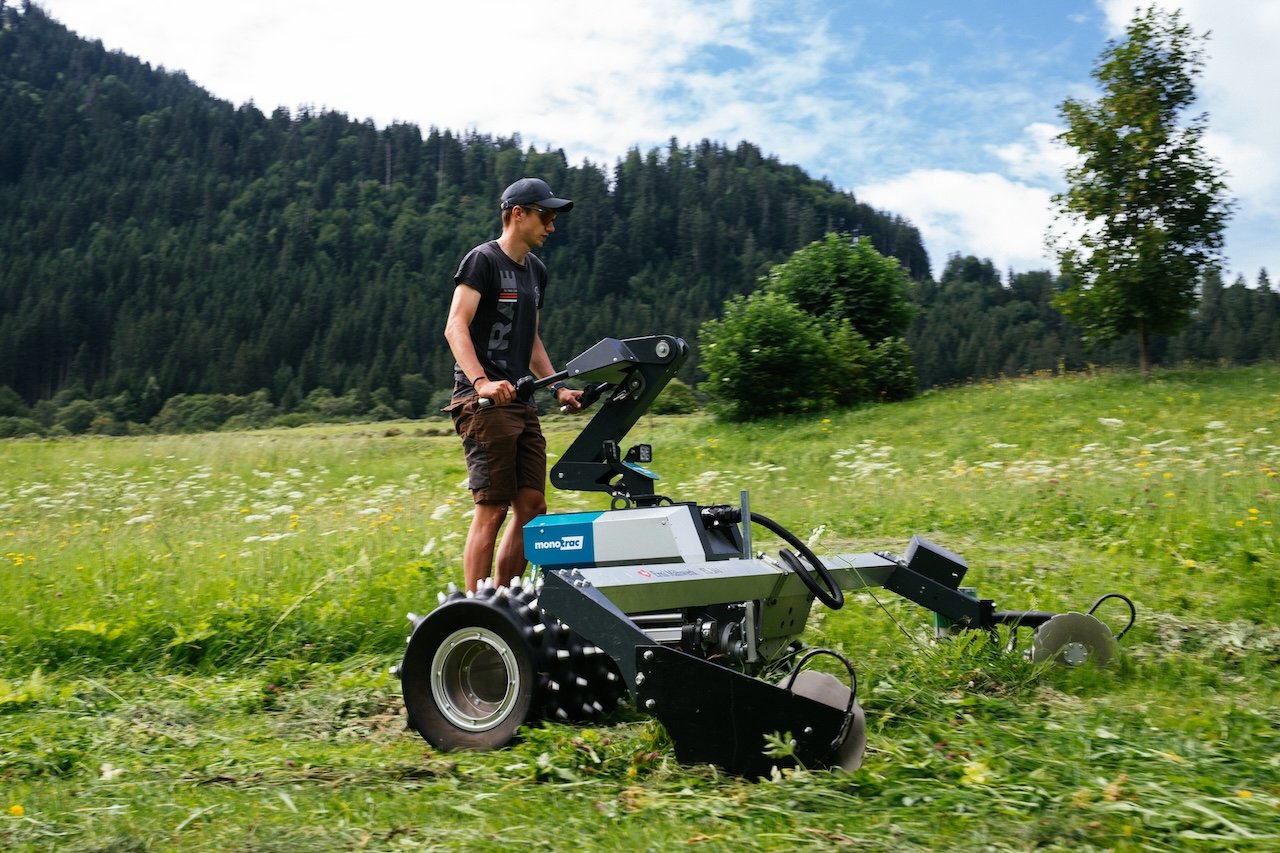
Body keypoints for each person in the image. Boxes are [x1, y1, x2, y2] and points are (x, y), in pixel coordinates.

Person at [443, 177, 585, 592]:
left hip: (521, 401)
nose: (551, 226)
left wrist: (557, 388)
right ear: (517, 214)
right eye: (545, 216)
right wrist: (482, 383)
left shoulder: (536, 271)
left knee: (532, 507)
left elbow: (531, 339)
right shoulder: (482, 261)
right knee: (492, 508)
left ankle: (506, 602)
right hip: (483, 403)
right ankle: (477, 609)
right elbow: (455, 327)